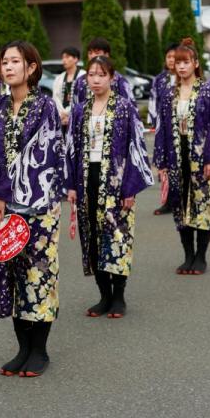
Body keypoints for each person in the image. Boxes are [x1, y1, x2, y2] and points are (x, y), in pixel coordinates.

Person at [0, 41, 64, 377]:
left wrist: (3, 191)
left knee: (38, 274)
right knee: (10, 271)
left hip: (39, 203)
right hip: (4, 207)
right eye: (4, 62)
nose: (8, 67)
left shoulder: (45, 106)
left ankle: (39, 350)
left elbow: (44, 154)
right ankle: (22, 348)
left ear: (31, 68)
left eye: (16, 62)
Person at [65, 54, 152, 318]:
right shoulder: (80, 109)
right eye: (91, 75)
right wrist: (70, 185)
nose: (95, 80)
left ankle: (118, 297)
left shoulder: (125, 108)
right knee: (92, 236)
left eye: (101, 74)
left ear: (112, 78)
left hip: (116, 181)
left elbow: (135, 148)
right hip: (86, 178)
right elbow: (71, 148)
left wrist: (130, 188)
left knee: (116, 237)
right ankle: (103, 295)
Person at [153, 38, 210, 275]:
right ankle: (187, 255)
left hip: (200, 155)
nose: (180, 67)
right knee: (180, 206)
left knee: (201, 205)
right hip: (176, 154)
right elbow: (162, 129)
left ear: (195, 63)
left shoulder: (208, 91)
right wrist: (161, 162)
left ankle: (201, 256)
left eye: (186, 62)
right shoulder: (169, 93)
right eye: (177, 62)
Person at [149, 44, 178, 214]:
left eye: (175, 57)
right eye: (169, 57)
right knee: (164, 163)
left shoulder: (186, 78)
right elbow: (153, 101)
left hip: (181, 128)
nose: (172, 61)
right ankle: (167, 200)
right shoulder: (159, 79)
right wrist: (154, 121)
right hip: (164, 128)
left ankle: (181, 200)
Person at [73, 39, 134, 104]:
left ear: (106, 55)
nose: (92, 56)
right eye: (90, 53)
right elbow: (75, 106)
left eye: (97, 53)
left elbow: (130, 107)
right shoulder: (80, 80)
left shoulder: (120, 80)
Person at [53, 46, 86, 131]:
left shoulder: (83, 76)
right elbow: (55, 98)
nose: (64, 60)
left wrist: (70, 114)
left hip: (78, 116)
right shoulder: (59, 78)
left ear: (76, 59)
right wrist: (62, 114)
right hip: (62, 118)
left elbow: (84, 99)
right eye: (63, 57)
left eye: (67, 57)